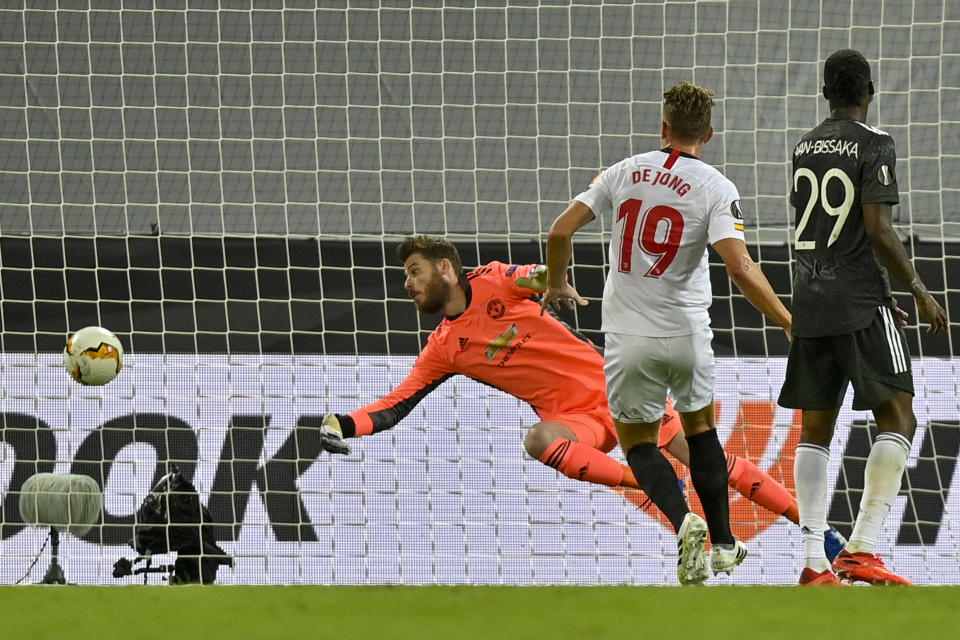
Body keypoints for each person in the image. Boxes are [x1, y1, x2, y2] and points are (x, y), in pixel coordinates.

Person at [317, 236, 839, 582]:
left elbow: (537, 275)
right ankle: (666, 496)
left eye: (413, 271)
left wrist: (554, 279)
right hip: (582, 421)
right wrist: (345, 422)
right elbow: (395, 405)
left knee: (716, 464)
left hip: (620, 390)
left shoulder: (496, 279)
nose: (406, 283)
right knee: (539, 439)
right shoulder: (444, 347)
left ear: (446, 269)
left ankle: (820, 533)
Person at [542, 82, 793, 585]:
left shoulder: (622, 171)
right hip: (686, 333)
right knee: (701, 435)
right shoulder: (717, 187)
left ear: (663, 129)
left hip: (628, 338)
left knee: (639, 444)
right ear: (710, 134)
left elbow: (559, 232)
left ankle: (685, 523)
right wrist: (787, 319)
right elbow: (739, 265)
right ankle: (723, 543)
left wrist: (556, 282)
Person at [778, 49, 947, 586]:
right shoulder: (875, 144)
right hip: (857, 302)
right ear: (869, 90)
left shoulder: (805, 147)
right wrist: (918, 289)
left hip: (809, 300)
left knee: (815, 429)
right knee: (899, 416)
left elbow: (831, 230)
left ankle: (812, 561)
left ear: (825, 92)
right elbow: (876, 229)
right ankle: (863, 548)